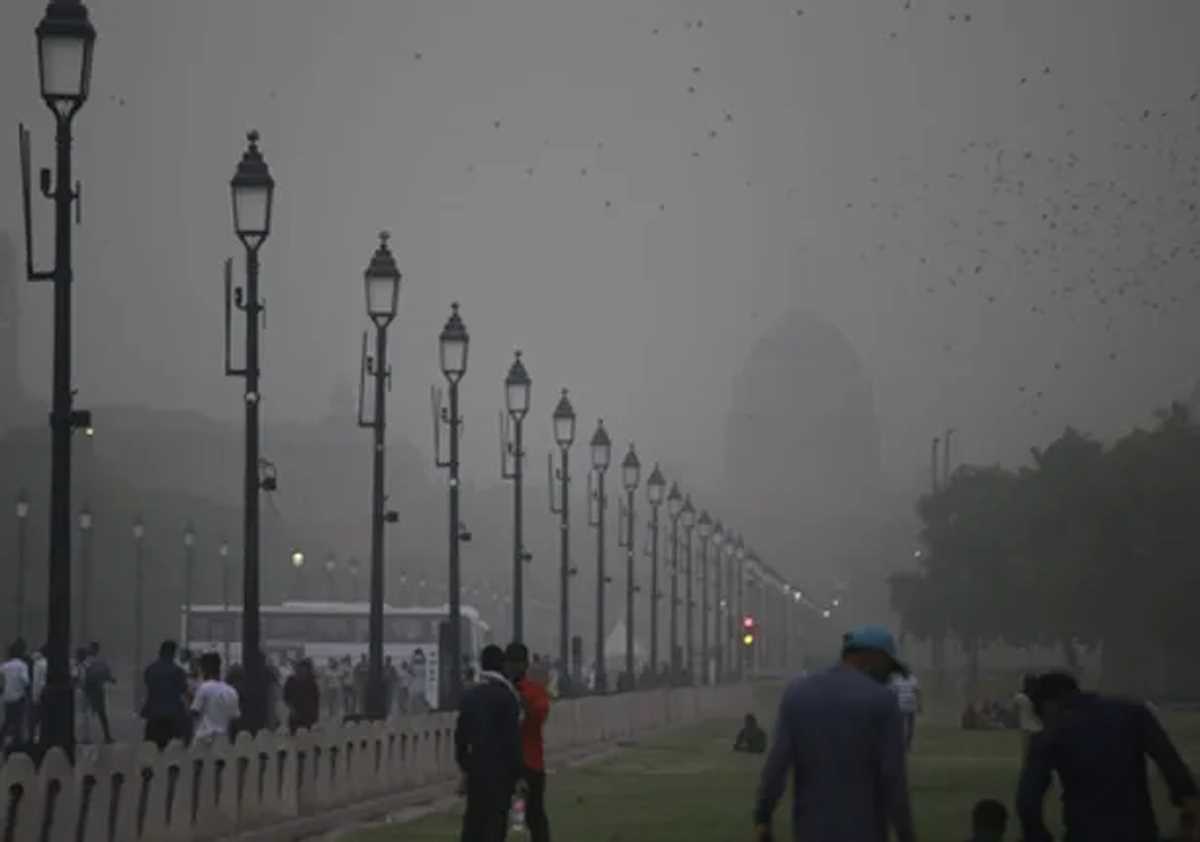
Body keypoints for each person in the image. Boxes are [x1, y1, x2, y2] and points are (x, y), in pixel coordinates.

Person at [753, 625, 916, 842]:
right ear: (872, 658)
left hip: (810, 830)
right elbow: (893, 780)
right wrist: (906, 834)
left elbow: (777, 764)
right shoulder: (882, 702)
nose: (889, 677)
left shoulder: (798, 694)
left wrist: (763, 816)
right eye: (888, 668)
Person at [1017, 670, 1200, 842]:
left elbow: (1028, 800)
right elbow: (1169, 761)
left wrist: (1037, 835)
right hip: (1138, 830)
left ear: (1048, 704)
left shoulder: (1049, 736)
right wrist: (1188, 811)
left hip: (1085, 832)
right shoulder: (1132, 713)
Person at [456, 644, 521, 842]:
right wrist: (517, 774)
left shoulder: (470, 696)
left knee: (474, 824)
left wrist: (466, 766)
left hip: (476, 771)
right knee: (495, 826)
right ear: (502, 666)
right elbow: (513, 741)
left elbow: (460, 738)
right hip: (501, 774)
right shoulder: (508, 697)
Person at [507, 642, 552, 842]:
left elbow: (539, 715)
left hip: (530, 764)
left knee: (533, 816)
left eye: (517, 663)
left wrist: (522, 701)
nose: (514, 667)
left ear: (525, 665)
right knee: (515, 817)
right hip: (509, 764)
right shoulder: (501, 690)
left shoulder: (534, 692)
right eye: (511, 663)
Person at [142, 640, 189, 749]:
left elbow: (148, 686)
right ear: (173, 653)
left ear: (160, 652)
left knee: (151, 749)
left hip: (153, 714)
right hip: (172, 716)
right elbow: (183, 689)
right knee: (172, 750)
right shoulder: (178, 671)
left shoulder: (150, 669)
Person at [191, 652, 240, 746]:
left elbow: (194, 713)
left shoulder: (204, 688)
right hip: (224, 740)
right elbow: (235, 719)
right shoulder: (231, 691)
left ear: (204, 669)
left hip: (204, 741)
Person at [0, 640, 31, 750]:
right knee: (18, 720)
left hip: (7, 696)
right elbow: (25, 681)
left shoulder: (4, 665)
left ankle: (1, 739)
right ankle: (17, 743)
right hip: (19, 696)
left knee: (8, 720)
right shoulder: (22, 666)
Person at [82, 641, 115, 743]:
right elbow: (106, 674)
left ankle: (89, 737)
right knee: (99, 714)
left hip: (90, 690)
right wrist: (110, 679)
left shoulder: (87, 661)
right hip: (95, 689)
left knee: (88, 714)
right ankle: (106, 736)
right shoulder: (100, 661)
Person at [283, 658, 320, 734]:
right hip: (295, 713)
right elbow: (286, 697)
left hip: (308, 714)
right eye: (300, 668)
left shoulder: (311, 681)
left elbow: (316, 699)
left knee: (308, 737)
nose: (302, 670)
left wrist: (315, 714)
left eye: (304, 668)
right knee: (293, 736)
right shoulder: (290, 680)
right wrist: (291, 708)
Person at [889, 670, 921, 750]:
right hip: (900, 707)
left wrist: (919, 705)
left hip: (911, 707)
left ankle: (908, 745)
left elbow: (917, 692)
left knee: (911, 727)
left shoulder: (913, 679)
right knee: (900, 727)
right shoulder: (897, 681)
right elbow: (893, 693)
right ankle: (899, 744)